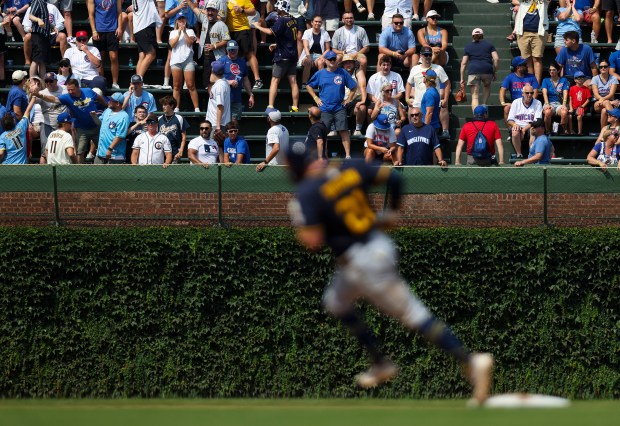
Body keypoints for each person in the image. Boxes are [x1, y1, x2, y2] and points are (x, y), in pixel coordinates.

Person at [285, 141, 493, 405]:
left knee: (413, 315)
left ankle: (472, 361)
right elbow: (394, 177)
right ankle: (380, 362)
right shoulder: (348, 166)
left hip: (362, 262)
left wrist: (304, 221)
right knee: (335, 301)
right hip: (375, 248)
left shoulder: (306, 191)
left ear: (293, 169)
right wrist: (391, 212)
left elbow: (312, 241)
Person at [31, 78, 108, 163]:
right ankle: (79, 172)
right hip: (82, 129)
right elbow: (53, 99)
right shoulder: (67, 97)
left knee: (102, 150)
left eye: (72, 89)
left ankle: (107, 168)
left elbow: (98, 97)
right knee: (80, 152)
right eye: (68, 90)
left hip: (95, 126)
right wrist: (40, 95)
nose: (70, 92)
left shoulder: (88, 91)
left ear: (78, 87)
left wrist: (106, 105)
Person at [306, 50, 357, 159]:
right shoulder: (320, 73)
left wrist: (348, 99)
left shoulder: (342, 72)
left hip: (339, 107)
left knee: (344, 131)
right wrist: (315, 98)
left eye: (334, 59)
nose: (333, 61)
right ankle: (324, 156)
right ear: (325, 60)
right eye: (330, 59)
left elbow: (354, 87)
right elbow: (308, 86)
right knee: (323, 133)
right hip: (325, 108)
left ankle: (348, 155)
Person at [252, 0, 300, 113]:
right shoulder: (293, 19)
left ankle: (270, 106)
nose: (276, 9)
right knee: (293, 81)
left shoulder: (282, 20)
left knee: (274, 80)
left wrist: (257, 26)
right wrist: (277, 44)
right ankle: (295, 107)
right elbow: (288, 38)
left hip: (282, 55)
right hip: (292, 55)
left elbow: (270, 32)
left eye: (278, 8)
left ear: (282, 9)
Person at [406, 45, 450, 138]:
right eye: (426, 55)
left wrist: (446, 98)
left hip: (433, 104)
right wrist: (407, 98)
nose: (428, 57)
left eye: (430, 55)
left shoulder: (438, 68)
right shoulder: (415, 69)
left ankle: (445, 130)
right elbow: (409, 83)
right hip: (419, 104)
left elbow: (447, 83)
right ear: (421, 56)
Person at [188, 0, 230, 90]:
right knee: (208, 82)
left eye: (212, 10)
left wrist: (214, 46)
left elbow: (227, 40)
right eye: (208, 10)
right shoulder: (204, 19)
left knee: (217, 81)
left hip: (218, 57)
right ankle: (211, 101)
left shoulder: (222, 25)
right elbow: (194, 8)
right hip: (206, 56)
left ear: (217, 12)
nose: (210, 13)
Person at [460, 28, 499, 112]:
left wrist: (462, 78)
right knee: (487, 86)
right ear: (483, 36)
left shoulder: (468, 47)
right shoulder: (489, 45)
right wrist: (494, 72)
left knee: (475, 96)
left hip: (474, 70)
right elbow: (496, 58)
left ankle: (477, 115)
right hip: (487, 70)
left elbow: (463, 63)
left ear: (472, 36)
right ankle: (484, 105)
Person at [225, 0, 262, 89]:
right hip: (229, 31)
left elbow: (253, 11)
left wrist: (242, 10)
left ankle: (258, 80)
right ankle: (238, 80)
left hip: (243, 29)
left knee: (249, 54)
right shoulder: (224, 1)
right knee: (234, 56)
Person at [87, 0, 122, 90]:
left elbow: (119, 12)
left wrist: (120, 27)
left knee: (114, 57)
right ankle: (102, 82)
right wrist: (94, 30)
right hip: (99, 29)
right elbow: (91, 14)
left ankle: (115, 82)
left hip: (113, 29)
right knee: (99, 58)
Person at [169, 12, 200, 112]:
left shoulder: (191, 31)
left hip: (188, 61)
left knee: (191, 84)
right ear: (177, 21)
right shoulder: (172, 32)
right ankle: (176, 108)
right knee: (176, 85)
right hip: (176, 61)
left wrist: (185, 32)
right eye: (180, 20)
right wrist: (178, 33)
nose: (182, 22)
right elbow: (172, 45)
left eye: (183, 20)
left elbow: (190, 43)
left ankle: (196, 108)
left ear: (186, 21)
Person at [513, 0, 549, 84]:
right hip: (522, 31)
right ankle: (530, 83)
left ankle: (536, 84)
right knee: (526, 59)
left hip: (539, 31)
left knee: (537, 58)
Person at [219, 40, 254, 122]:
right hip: (223, 98)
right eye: (230, 50)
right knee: (223, 122)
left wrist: (251, 94)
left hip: (236, 98)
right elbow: (214, 79)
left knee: (234, 123)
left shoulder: (242, 62)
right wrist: (228, 82)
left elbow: (245, 79)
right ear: (227, 50)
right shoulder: (221, 61)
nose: (232, 51)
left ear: (237, 49)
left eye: (234, 49)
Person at [23, 0, 59, 79]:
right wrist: (38, 20)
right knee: (36, 59)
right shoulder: (37, 1)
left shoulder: (44, 3)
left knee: (42, 61)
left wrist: (53, 26)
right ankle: (32, 80)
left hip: (44, 35)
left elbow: (44, 19)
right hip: (37, 34)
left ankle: (43, 81)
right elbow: (30, 16)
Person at [33, 72, 68, 153]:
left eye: (51, 81)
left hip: (62, 125)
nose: (48, 83)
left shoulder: (65, 89)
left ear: (56, 81)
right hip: (47, 124)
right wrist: (33, 92)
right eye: (46, 81)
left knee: (62, 150)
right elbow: (32, 101)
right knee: (45, 151)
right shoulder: (42, 92)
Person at [499, 56, 539, 126]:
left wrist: (531, 101)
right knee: (506, 109)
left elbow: (535, 91)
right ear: (518, 67)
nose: (527, 66)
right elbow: (502, 89)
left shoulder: (531, 77)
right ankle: (510, 130)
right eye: (524, 65)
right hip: (516, 103)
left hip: (529, 102)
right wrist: (503, 102)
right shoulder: (510, 77)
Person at [507, 84, 542, 158]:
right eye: (527, 93)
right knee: (515, 131)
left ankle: (531, 154)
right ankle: (519, 154)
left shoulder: (537, 103)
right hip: (518, 126)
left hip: (530, 126)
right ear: (522, 93)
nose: (529, 95)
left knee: (534, 130)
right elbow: (510, 120)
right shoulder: (516, 102)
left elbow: (537, 121)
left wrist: (524, 129)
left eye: (531, 93)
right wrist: (514, 125)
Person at [94, 92, 129, 164]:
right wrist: (94, 116)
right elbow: (100, 123)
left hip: (114, 155)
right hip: (100, 152)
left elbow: (120, 136)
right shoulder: (107, 111)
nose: (109, 101)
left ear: (118, 104)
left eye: (111, 101)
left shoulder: (124, 117)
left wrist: (110, 149)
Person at [130, 0, 162, 78]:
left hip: (139, 27)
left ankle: (137, 81)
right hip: (144, 27)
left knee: (142, 56)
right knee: (151, 54)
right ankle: (137, 81)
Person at [298, 15, 331, 90]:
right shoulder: (307, 32)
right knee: (307, 62)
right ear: (312, 22)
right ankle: (304, 83)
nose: (317, 23)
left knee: (321, 63)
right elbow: (305, 47)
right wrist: (309, 57)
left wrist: (322, 57)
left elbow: (328, 49)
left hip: (320, 55)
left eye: (319, 22)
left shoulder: (325, 33)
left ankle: (321, 84)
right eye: (316, 21)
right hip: (308, 54)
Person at [0, 97, 35, 164]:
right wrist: (33, 98)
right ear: (13, 122)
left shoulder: (2, 137)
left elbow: (1, 153)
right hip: (21, 165)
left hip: (7, 166)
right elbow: (27, 111)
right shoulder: (20, 127)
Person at [341, 54, 367, 137]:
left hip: (356, 100)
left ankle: (358, 129)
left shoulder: (358, 72)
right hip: (342, 100)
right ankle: (336, 129)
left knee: (362, 107)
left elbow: (363, 86)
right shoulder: (339, 74)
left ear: (354, 63)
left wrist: (363, 100)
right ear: (343, 65)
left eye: (350, 62)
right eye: (346, 63)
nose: (348, 64)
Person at [541, 61, 570, 134]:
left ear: (558, 70)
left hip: (559, 103)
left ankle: (562, 131)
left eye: (553, 70)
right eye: (550, 70)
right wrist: (547, 104)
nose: (551, 71)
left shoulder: (563, 80)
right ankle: (548, 131)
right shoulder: (545, 80)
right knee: (547, 112)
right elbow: (544, 93)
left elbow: (565, 93)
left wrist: (564, 104)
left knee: (564, 112)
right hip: (549, 102)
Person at [158, 95, 189, 162]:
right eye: (163, 105)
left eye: (165, 105)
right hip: (161, 151)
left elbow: (184, 137)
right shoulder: (159, 119)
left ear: (172, 106)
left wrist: (181, 150)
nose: (163, 107)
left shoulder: (179, 118)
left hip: (175, 151)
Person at [591, 59, 618, 130]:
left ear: (609, 67)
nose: (603, 68)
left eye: (605, 66)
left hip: (608, 101)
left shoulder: (613, 78)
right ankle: (616, 126)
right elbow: (596, 94)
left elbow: (611, 94)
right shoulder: (595, 78)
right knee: (606, 102)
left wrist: (605, 101)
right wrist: (604, 100)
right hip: (597, 102)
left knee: (604, 111)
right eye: (601, 67)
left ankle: (603, 133)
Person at [206, 60, 231, 136]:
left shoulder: (219, 86)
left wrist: (218, 127)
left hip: (216, 124)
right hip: (218, 123)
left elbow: (220, 106)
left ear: (212, 71)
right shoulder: (223, 82)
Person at [568, 71, 592, 135]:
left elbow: (588, 99)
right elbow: (570, 99)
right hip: (573, 107)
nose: (580, 79)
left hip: (582, 107)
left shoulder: (586, 89)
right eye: (578, 78)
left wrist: (582, 106)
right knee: (569, 116)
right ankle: (571, 131)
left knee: (579, 116)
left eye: (582, 78)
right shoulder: (572, 88)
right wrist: (570, 107)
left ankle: (579, 132)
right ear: (575, 79)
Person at [420, 69, 442, 137]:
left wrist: (425, 129)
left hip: (430, 127)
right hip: (433, 126)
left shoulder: (429, 93)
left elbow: (429, 113)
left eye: (424, 76)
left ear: (425, 79)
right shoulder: (434, 91)